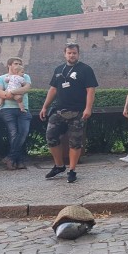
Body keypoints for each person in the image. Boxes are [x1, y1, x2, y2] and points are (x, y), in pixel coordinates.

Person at [39, 43, 99, 183]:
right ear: (64, 54)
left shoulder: (85, 69)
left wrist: (88, 108)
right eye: (69, 53)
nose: (72, 55)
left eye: (74, 53)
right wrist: (44, 107)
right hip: (59, 109)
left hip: (78, 111)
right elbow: (53, 89)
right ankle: (59, 165)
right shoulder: (59, 69)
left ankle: (72, 170)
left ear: (78, 54)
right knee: (50, 137)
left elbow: (90, 90)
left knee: (75, 142)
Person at [0, 57, 32, 171]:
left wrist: (11, 92)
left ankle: (10, 158)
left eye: (20, 64)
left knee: (24, 132)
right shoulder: (1, 78)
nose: (18, 65)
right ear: (9, 65)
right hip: (7, 109)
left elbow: (26, 88)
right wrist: (10, 94)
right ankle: (18, 160)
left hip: (23, 109)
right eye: (16, 63)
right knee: (14, 133)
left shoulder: (25, 76)